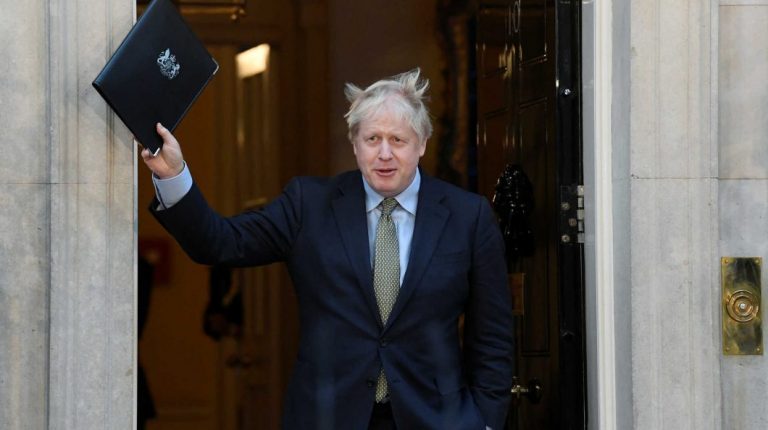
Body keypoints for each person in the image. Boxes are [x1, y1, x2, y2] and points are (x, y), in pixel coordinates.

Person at [142, 69, 514, 430]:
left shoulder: (469, 217)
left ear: (422, 144)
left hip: (436, 418)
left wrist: (486, 422)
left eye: (398, 140)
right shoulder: (308, 205)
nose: (384, 154)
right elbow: (220, 242)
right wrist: (173, 175)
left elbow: (492, 337)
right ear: (355, 144)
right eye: (372, 139)